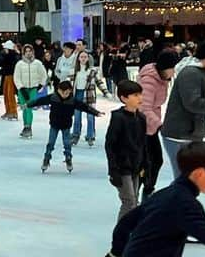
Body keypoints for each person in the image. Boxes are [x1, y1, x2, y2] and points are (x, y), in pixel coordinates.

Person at [161, 41, 205, 179]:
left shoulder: (197, 73)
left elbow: (191, 107)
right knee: (185, 180)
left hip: (184, 134)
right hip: (179, 136)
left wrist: (202, 128)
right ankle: (167, 201)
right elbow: (193, 104)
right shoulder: (192, 73)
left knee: (186, 180)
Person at [31, 80, 102, 172]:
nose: (64, 94)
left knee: (67, 144)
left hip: (66, 126)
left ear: (70, 91)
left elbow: (85, 107)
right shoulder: (53, 98)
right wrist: (27, 105)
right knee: (51, 143)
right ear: (58, 90)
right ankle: (46, 158)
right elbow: (39, 101)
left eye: (67, 92)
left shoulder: (72, 101)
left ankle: (68, 158)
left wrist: (96, 112)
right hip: (54, 125)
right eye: (62, 92)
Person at [137, 51, 178, 198]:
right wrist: (160, 125)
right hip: (142, 127)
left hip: (150, 127)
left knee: (154, 161)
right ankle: (141, 192)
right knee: (148, 162)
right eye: (172, 68)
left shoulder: (162, 79)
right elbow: (143, 108)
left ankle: (147, 190)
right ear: (164, 67)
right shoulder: (149, 81)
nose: (174, 73)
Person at [104, 79, 147, 219]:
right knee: (129, 202)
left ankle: (131, 233)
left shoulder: (141, 118)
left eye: (140, 94)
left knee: (134, 201)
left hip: (136, 165)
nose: (140, 98)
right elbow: (110, 145)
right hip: (122, 167)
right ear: (124, 98)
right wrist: (113, 170)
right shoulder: (118, 118)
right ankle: (121, 235)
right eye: (135, 95)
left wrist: (145, 164)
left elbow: (142, 143)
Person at [13, 43, 48, 139]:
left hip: (33, 88)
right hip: (22, 89)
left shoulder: (37, 63)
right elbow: (16, 77)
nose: (28, 53)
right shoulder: (19, 64)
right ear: (23, 53)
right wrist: (21, 88)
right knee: (24, 108)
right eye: (26, 51)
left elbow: (44, 75)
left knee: (29, 107)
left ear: (33, 52)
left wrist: (40, 85)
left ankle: (29, 127)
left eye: (30, 51)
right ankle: (25, 126)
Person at [72, 48, 106, 146]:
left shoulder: (92, 71)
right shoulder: (74, 71)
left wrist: (105, 92)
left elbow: (99, 82)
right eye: (81, 57)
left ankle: (90, 136)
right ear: (78, 58)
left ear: (88, 59)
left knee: (90, 116)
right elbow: (69, 83)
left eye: (85, 57)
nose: (83, 59)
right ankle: (75, 135)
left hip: (89, 95)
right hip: (77, 94)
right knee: (77, 117)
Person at [0, 40, 19, 121]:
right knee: (6, 94)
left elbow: (7, 66)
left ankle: (13, 112)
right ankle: (8, 111)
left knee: (10, 94)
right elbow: (4, 66)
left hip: (11, 76)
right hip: (7, 76)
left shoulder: (13, 56)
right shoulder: (8, 56)